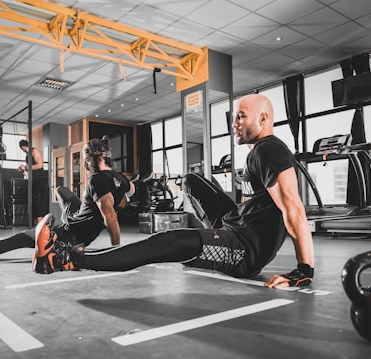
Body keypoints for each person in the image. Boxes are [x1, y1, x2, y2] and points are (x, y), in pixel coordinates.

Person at [32, 94, 315, 289]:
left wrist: (304, 271)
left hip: (244, 252)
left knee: (167, 242)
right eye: (234, 116)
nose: (234, 122)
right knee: (191, 180)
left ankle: (66, 259)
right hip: (237, 227)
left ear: (263, 119)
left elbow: (294, 209)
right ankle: (211, 238)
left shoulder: (271, 150)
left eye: (242, 116)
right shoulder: (259, 152)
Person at [0, 136, 135, 261]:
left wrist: (116, 252)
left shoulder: (97, 182)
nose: (84, 164)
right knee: (62, 191)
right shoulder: (120, 179)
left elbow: (110, 218)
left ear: (99, 160)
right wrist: (122, 198)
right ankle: (67, 216)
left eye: (87, 160)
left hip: (67, 236)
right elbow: (131, 190)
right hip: (78, 222)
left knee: (16, 240)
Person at [18, 139, 48, 224]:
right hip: (34, 179)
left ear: (23, 147)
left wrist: (26, 167)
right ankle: (37, 223)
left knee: (37, 200)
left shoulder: (35, 151)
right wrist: (23, 168)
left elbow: (39, 165)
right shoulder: (28, 155)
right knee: (33, 201)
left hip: (41, 179)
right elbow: (31, 168)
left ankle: (40, 223)